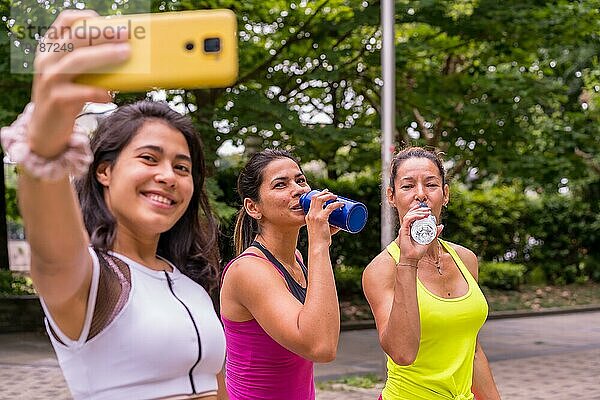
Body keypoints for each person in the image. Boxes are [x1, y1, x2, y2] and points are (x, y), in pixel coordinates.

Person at [0, 10, 226, 400]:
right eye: (149, 158)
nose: (168, 176)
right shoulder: (89, 279)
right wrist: (46, 137)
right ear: (104, 171)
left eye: (182, 166)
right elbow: (53, 252)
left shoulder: (193, 285)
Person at [362, 147, 501, 400]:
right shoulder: (381, 269)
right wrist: (408, 261)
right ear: (391, 196)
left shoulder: (465, 259)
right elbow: (402, 353)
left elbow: (473, 350)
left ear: (445, 194)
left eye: (431, 184)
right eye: (407, 186)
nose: (421, 195)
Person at [219, 149, 342, 400]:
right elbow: (321, 347)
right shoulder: (248, 271)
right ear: (254, 207)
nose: (298, 190)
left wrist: (320, 244)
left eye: (300, 180)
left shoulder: (295, 258)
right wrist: (319, 244)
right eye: (280, 185)